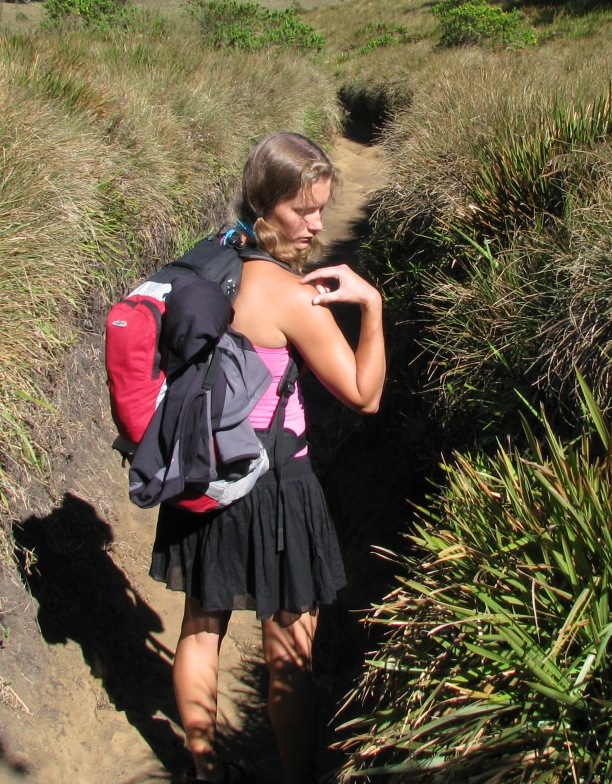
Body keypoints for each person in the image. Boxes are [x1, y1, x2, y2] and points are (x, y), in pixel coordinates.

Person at [150, 132, 386, 784]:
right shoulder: (294, 297)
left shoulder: (205, 265)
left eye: (322, 208)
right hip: (278, 486)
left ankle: (204, 769)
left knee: (201, 627)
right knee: (289, 654)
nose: (316, 225)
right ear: (266, 201)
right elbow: (364, 395)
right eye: (302, 210)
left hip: (202, 472)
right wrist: (372, 306)